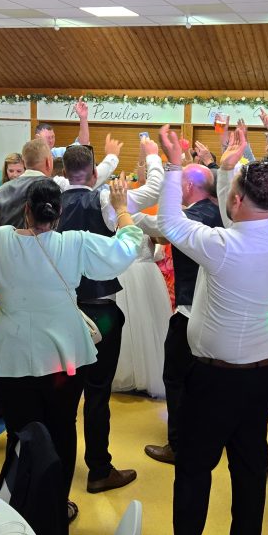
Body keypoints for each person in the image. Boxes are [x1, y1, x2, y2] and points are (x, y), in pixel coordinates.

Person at [0, 177, 141, 524]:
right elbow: (126, 249)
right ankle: (56, 505)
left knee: (22, 433)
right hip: (64, 355)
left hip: (12, 354)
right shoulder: (74, 244)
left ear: (25, 210)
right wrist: (123, 211)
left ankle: (21, 504)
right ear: (59, 213)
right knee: (63, 429)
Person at [157, 124, 268, 535]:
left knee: (195, 468)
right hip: (265, 374)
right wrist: (227, 169)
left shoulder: (222, 247)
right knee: (250, 466)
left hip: (218, 379)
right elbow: (236, 216)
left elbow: (169, 221)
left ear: (236, 199)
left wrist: (173, 164)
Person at [56, 135, 163, 493]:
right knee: (97, 392)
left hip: (63, 307)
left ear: (64, 169)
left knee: (65, 392)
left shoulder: (51, 196)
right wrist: (153, 156)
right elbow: (150, 193)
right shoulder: (105, 200)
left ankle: (58, 467)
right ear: (93, 171)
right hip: (100, 309)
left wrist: (111, 161)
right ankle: (99, 468)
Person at [138, 161, 223, 464]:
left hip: (189, 312)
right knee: (206, 380)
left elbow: (156, 226)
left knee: (175, 378)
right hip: (217, 313)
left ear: (187, 187)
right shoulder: (222, 212)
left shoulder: (192, 217)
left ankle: (178, 444)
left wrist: (122, 209)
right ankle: (205, 435)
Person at [112, 139, 169, 398]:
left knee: (146, 323)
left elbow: (158, 232)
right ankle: (134, 373)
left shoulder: (126, 212)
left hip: (142, 271)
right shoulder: (130, 214)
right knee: (135, 325)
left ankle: (139, 373)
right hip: (133, 272)